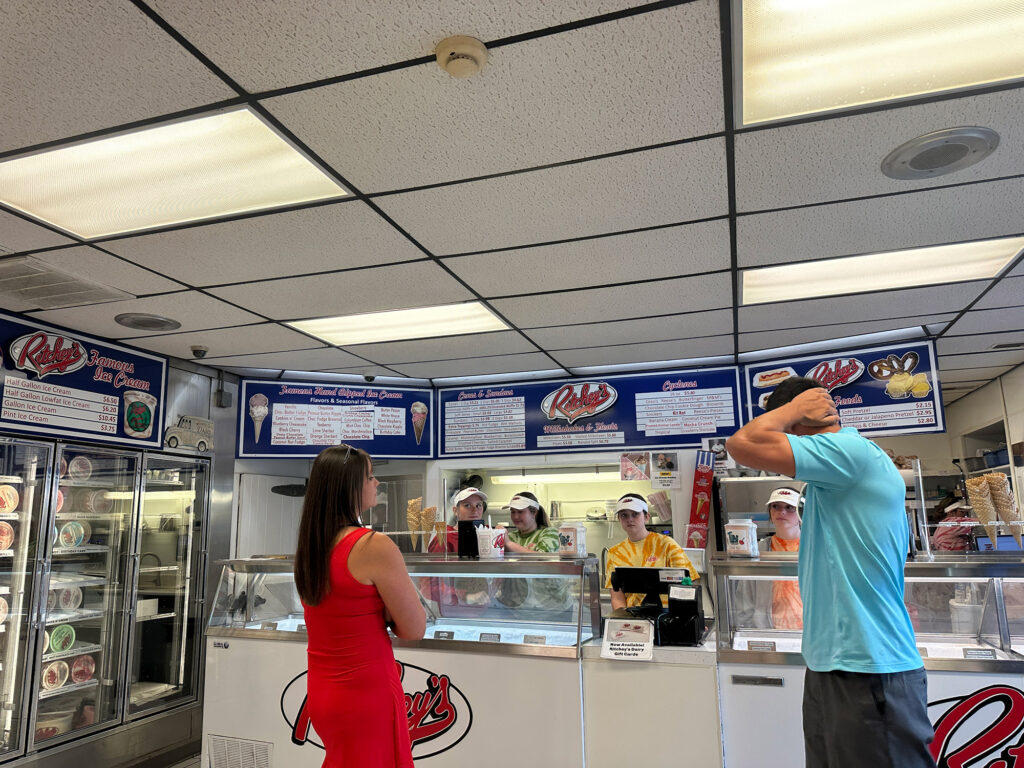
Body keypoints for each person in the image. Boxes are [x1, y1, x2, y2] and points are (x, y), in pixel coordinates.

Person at [725, 377, 934, 768]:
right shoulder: (830, 477)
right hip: (833, 666)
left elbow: (741, 446)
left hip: (870, 667)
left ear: (797, 424)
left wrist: (788, 410)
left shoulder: (848, 452)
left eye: (785, 427)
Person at [294, 444, 426, 768]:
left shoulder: (311, 546)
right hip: (365, 695)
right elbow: (414, 628)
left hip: (324, 692)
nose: (377, 483)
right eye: (370, 476)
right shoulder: (373, 545)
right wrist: (389, 614)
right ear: (350, 487)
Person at [605, 493, 698, 610]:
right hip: (635, 620)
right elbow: (617, 597)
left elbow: (687, 586)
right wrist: (623, 620)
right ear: (619, 519)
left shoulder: (667, 544)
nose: (630, 519)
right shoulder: (614, 553)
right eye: (624, 515)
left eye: (635, 514)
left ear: (646, 517)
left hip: (667, 616)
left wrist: (688, 616)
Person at [733, 487, 804, 630]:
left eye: (789, 507)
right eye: (775, 506)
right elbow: (744, 600)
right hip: (768, 634)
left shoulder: (814, 549)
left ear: (801, 512)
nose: (781, 512)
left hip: (808, 635)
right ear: (770, 512)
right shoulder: (758, 550)